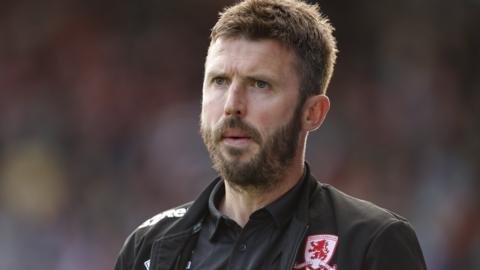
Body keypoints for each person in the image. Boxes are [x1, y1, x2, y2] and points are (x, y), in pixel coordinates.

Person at [114, 0, 427, 269]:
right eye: (220, 81)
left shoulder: (370, 243)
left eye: (260, 84)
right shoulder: (149, 248)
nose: (232, 106)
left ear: (312, 113)